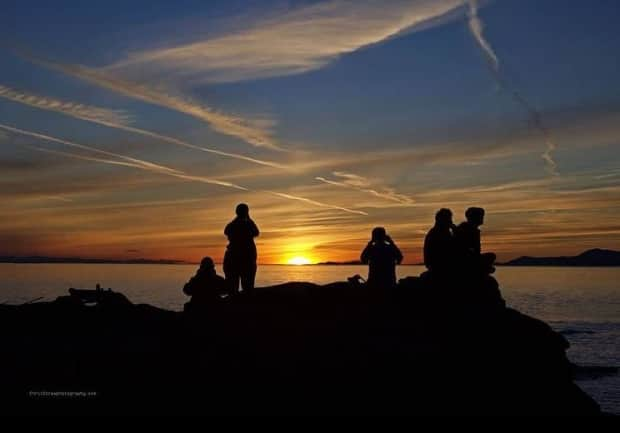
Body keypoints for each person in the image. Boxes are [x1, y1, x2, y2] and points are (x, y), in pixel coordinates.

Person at [224, 203, 260, 295]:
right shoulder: (248, 224)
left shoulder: (234, 224)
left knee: (233, 288)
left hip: (236, 258)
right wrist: (248, 218)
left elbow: (226, 230)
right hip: (245, 259)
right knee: (247, 287)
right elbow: (256, 232)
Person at [454, 207, 496, 274]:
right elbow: (465, 249)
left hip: (471, 258)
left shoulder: (473, 230)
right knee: (491, 256)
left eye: (482, 215)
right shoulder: (467, 229)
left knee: (491, 256)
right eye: (481, 216)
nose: (482, 218)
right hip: (466, 259)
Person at [423, 208, 456, 274]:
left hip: (438, 266)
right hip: (440, 267)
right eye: (449, 218)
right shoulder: (438, 233)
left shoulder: (442, 232)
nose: (451, 221)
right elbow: (450, 248)